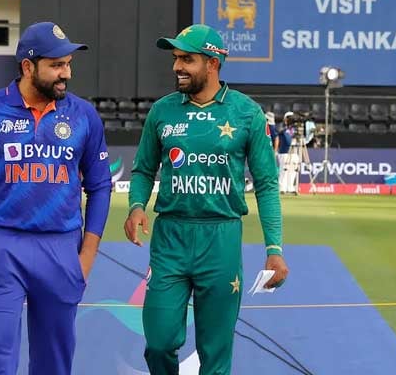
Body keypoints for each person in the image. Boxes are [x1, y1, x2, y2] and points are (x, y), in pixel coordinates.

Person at [0, 22, 112, 375]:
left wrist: (88, 254)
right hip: (3, 244)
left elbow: (100, 185)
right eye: (57, 65)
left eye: (68, 64)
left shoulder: (83, 116)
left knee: (53, 361)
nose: (66, 74)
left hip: (62, 248)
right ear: (28, 67)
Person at [123, 24, 288, 375]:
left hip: (221, 240)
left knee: (216, 353)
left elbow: (267, 185)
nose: (177, 67)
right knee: (159, 342)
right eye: (175, 58)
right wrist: (136, 206)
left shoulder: (246, 113)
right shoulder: (163, 111)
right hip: (171, 239)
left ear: (212, 63)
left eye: (187, 59)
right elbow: (142, 170)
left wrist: (274, 248)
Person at [277, 112, 298, 193]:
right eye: (289, 118)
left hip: (294, 151)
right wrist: (286, 126)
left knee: (293, 169)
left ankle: (290, 187)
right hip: (284, 152)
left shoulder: (294, 128)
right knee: (284, 169)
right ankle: (282, 187)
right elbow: (279, 132)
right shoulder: (282, 126)